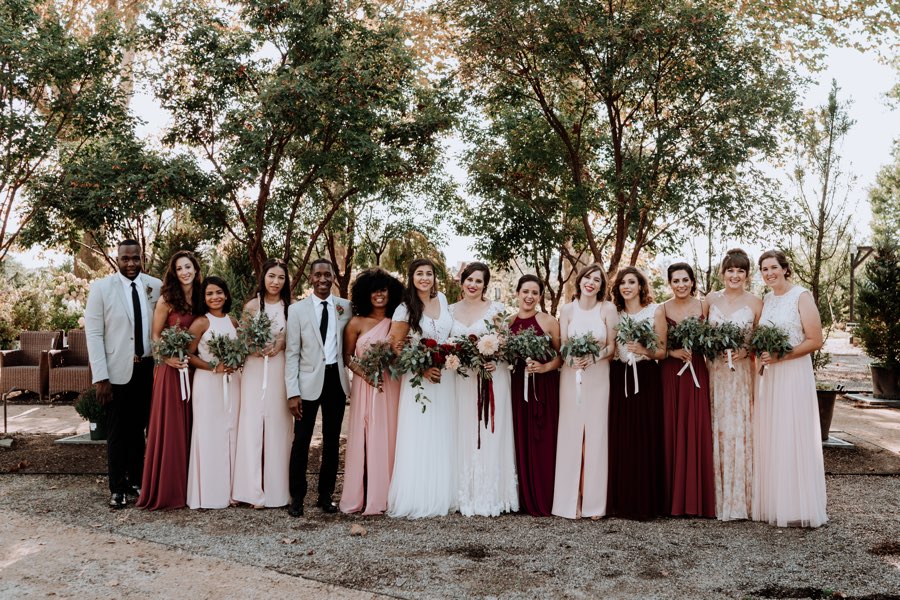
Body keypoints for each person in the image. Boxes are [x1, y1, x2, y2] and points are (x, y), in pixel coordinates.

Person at [84, 239, 161, 509]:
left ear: (142, 258)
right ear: (117, 258)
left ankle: (137, 481)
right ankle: (117, 488)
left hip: (148, 369)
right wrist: (101, 377)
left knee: (139, 430)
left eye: (136, 258)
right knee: (117, 432)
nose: (131, 264)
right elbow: (93, 335)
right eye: (125, 258)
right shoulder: (102, 288)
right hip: (116, 372)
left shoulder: (155, 286)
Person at [753, 250, 827, 528]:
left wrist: (782, 356)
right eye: (764, 269)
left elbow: (815, 340)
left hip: (793, 374)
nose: (769, 272)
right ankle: (776, 503)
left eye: (773, 267)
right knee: (774, 434)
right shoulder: (768, 300)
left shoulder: (801, 296)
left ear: (785, 269)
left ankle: (798, 505)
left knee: (793, 433)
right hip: (770, 377)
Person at [387, 258, 458, 518]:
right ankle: (418, 496)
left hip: (445, 379)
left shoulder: (443, 301)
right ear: (412, 277)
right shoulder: (405, 309)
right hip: (420, 381)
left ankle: (443, 492)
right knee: (420, 435)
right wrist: (422, 369)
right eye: (420, 274)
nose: (425, 278)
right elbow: (396, 349)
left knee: (443, 434)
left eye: (429, 273)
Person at [450, 262, 518, 517]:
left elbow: (505, 344)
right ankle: (463, 493)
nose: (473, 284)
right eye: (469, 279)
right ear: (462, 281)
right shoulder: (449, 310)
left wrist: (495, 358)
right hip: (462, 380)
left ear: (485, 285)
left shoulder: (497, 309)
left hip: (491, 378)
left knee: (490, 432)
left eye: (478, 281)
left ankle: (492, 494)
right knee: (464, 430)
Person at [285, 259, 352, 517]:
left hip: (336, 380)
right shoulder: (297, 310)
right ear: (311, 278)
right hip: (306, 383)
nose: (323, 279)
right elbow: (292, 353)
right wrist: (292, 392)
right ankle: (297, 498)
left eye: (328, 274)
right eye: (318, 275)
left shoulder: (345, 307)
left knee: (332, 441)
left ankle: (326, 496)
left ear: (334, 277)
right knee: (301, 441)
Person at [138, 250, 203, 510]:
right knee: (172, 427)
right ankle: (168, 490)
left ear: (196, 270)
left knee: (193, 425)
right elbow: (155, 335)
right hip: (170, 371)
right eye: (179, 268)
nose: (185, 272)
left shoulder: (201, 298)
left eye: (188, 267)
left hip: (194, 370)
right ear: (174, 273)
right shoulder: (166, 299)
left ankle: (193, 488)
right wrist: (167, 359)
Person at [552, 264, 616, 520]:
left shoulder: (607, 309)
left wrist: (594, 356)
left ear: (602, 286)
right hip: (571, 376)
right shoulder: (567, 309)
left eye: (597, 280)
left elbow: (611, 347)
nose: (591, 282)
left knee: (596, 437)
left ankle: (594, 503)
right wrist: (571, 359)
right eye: (588, 278)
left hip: (598, 375)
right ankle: (570, 501)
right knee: (570, 435)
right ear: (579, 281)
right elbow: (563, 345)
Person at [340, 268, 404, 515]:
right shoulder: (356, 323)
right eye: (374, 290)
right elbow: (346, 356)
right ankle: (362, 495)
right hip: (365, 386)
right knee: (365, 437)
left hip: (392, 384)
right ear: (366, 294)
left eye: (383, 289)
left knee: (391, 435)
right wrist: (365, 374)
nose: (379, 295)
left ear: (391, 292)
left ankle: (389, 494)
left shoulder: (399, 322)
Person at [706, 249, 762, 521]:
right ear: (723, 272)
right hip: (715, 372)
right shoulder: (709, 299)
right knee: (716, 427)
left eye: (741, 271)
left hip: (740, 374)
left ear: (747, 275)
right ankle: (713, 498)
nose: (735, 275)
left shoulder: (756, 302)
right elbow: (700, 333)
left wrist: (747, 349)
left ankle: (741, 499)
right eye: (731, 270)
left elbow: (762, 339)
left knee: (738, 428)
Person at [233, 259, 293, 509]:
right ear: (263, 277)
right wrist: (255, 349)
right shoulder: (252, 306)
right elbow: (242, 342)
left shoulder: (291, 308)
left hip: (279, 370)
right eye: (271, 276)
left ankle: (278, 491)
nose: (275, 282)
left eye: (280, 277)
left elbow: (296, 342)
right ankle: (251, 491)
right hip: (255, 370)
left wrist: (281, 344)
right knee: (251, 426)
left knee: (279, 427)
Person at [607, 266, 666, 520]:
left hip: (646, 376)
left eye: (632, 282)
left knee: (646, 435)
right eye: (622, 282)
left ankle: (647, 502)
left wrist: (644, 349)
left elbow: (662, 351)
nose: (626, 286)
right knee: (623, 436)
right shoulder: (614, 314)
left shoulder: (656, 311)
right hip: (620, 376)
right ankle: (622, 501)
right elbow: (610, 348)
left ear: (641, 286)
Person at [658, 262, 716, 518]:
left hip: (697, 372)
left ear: (693, 281)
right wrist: (674, 351)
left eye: (685, 280)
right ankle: (672, 497)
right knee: (672, 428)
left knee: (697, 427)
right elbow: (659, 348)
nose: (681, 285)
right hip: (671, 373)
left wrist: (698, 348)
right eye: (675, 281)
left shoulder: (705, 306)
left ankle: (696, 498)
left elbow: (712, 339)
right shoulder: (662, 309)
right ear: (669, 283)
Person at [185, 276, 241, 509]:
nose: (215, 297)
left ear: (226, 295)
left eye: (219, 292)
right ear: (203, 298)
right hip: (208, 383)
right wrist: (213, 366)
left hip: (233, 382)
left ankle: (233, 491)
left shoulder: (234, 321)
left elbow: (242, 350)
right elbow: (188, 355)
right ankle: (209, 494)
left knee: (233, 432)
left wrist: (235, 362)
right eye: (209, 294)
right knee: (209, 434)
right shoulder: (200, 323)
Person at [508, 274, 562, 517]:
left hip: (545, 387)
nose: (529, 296)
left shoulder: (549, 321)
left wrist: (544, 367)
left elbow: (562, 357)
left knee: (544, 439)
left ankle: (548, 497)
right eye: (525, 291)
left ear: (540, 296)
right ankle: (524, 498)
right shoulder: (508, 322)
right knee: (522, 439)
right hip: (519, 386)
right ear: (517, 293)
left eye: (534, 293)